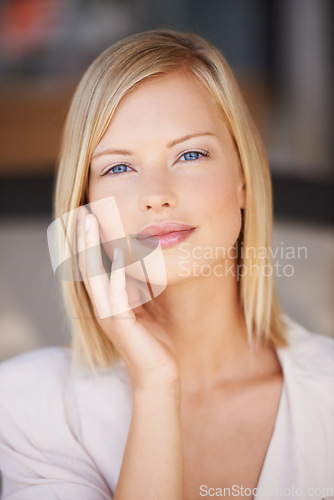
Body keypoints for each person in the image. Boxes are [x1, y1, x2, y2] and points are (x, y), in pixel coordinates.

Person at [0, 29, 333, 500]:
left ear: (243, 179)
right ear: (85, 205)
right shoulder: (24, 406)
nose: (156, 194)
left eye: (190, 154)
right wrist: (155, 386)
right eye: (118, 167)